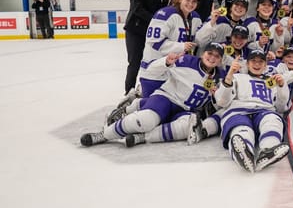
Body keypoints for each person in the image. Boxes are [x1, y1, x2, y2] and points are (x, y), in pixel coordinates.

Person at [80, 43, 226, 148]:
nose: (212, 58)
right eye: (209, 53)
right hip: (166, 99)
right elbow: (151, 71)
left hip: (185, 110)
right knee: (146, 120)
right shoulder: (186, 61)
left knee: (186, 127)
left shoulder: (220, 78)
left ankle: (142, 137)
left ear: (220, 61)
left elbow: (220, 102)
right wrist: (166, 62)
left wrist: (216, 95)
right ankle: (104, 135)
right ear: (202, 54)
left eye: (217, 56)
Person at [215, 50, 291, 173]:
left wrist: (281, 86)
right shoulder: (237, 77)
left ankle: (268, 150)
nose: (257, 64)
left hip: (264, 111)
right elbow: (222, 102)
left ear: (266, 65)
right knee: (241, 128)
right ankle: (243, 152)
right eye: (253, 61)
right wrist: (229, 76)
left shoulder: (272, 82)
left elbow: (281, 107)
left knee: (273, 120)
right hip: (239, 111)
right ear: (247, 64)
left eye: (260, 61)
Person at [123, 0, 170, 95]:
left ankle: (150, 91)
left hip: (153, 32)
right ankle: (129, 92)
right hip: (136, 30)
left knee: (154, 62)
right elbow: (137, 8)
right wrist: (156, 20)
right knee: (135, 62)